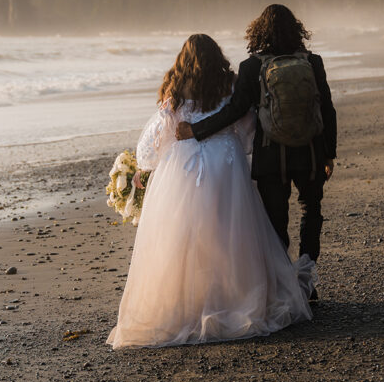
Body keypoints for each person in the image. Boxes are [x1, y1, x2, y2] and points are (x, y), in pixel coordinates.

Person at [107, 34, 313, 349]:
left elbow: (156, 139)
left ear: (183, 58)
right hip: (225, 162)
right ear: (217, 56)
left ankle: (190, 304)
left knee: (185, 237)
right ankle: (233, 298)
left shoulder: (175, 87)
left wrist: (145, 167)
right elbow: (246, 124)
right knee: (230, 234)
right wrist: (234, 144)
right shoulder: (229, 83)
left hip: (184, 165)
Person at [176, 4, 336, 301]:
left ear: (258, 31)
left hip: (271, 154)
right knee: (311, 212)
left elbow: (235, 112)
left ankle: (284, 282)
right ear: (296, 28)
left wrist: (196, 131)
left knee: (276, 220)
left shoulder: (252, 67)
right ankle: (307, 279)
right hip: (311, 152)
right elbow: (326, 108)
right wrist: (330, 153)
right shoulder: (313, 62)